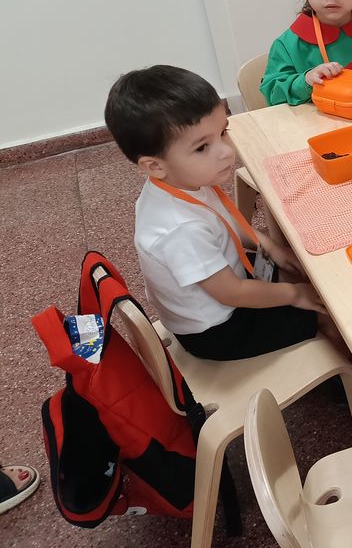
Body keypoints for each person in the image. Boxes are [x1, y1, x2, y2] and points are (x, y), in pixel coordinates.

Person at [105, 65, 334, 361]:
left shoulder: (180, 181)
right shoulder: (180, 229)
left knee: (304, 270)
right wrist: (296, 295)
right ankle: (348, 379)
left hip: (227, 281)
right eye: (202, 147)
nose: (226, 151)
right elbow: (232, 293)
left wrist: (271, 247)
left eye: (223, 132)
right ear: (154, 165)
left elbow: (227, 221)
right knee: (328, 314)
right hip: (219, 330)